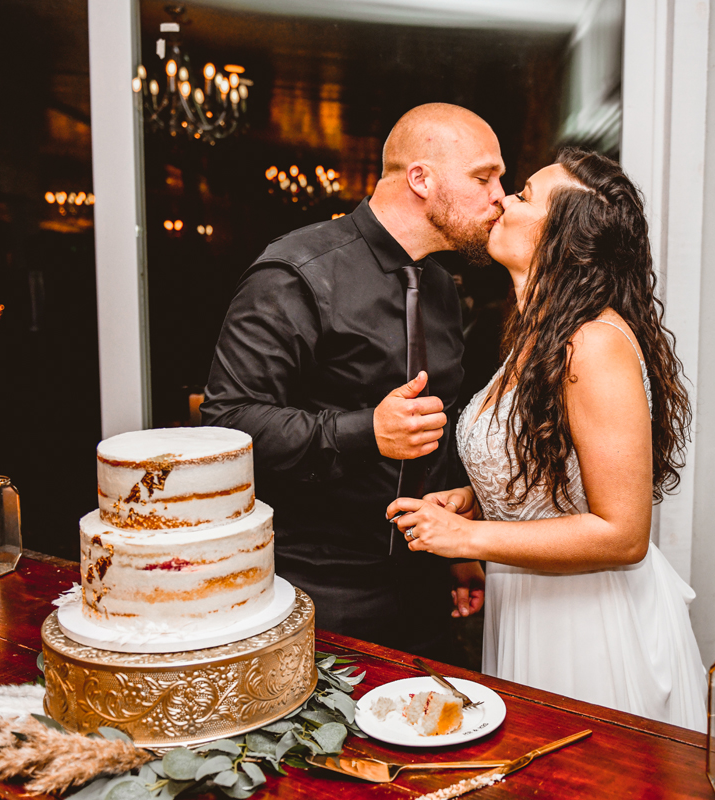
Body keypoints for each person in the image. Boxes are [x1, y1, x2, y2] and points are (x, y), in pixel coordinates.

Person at [387, 148, 709, 728]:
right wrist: (475, 497)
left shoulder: (594, 343)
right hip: (531, 606)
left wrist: (467, 537)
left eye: (525, 194)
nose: (504, 199)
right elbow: (553, 478)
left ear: (565, 235)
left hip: (590, 627)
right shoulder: (536, 336)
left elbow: (622, 533)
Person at [201, 103, 502, 661]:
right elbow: (227, 421)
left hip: (423, 586)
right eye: (484, 177)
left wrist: (458, 548)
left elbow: (444, 425)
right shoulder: (297, 273)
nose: (499, 197)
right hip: (316, 586)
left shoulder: (441, 287)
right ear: (421, 179)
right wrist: (367, 430)